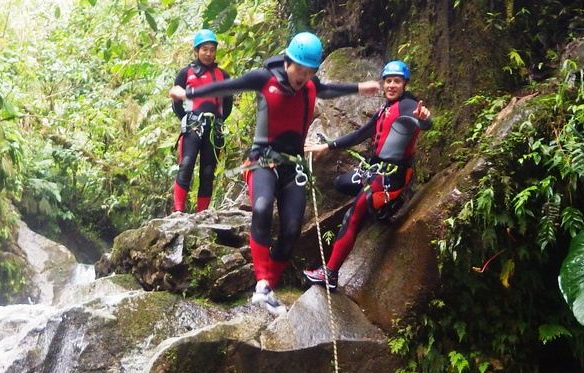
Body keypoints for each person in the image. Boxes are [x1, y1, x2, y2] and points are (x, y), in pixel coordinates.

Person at [169, 31, 380, 315]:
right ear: (289, 61)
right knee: (263, 207)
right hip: (263, 160)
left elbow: (327, 89)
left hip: (293, 165)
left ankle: (269, 288)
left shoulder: (310, 85)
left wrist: (359, 88)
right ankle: (261, 284)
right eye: (300, 69)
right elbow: (229, 85)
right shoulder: (264, 78)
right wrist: (188, 93)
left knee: (292, 229)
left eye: (309, 71)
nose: (303, 76)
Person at [302, 60, 431, 289]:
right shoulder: (385, 108)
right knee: (341, 183)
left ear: (405, 84)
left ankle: (330, 274)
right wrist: (328, 146)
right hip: (375, 170)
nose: (391, 85)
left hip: (391, 177)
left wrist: (424, 119)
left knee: (353, 215)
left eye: (397, 81)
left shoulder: (408, 105)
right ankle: (379, 208)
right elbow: (361, 133)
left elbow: (423, 122)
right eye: (388, 81)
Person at [171, 29, 234, 213]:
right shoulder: (186, 73)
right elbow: (176, 102)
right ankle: (178, 211)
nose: (208, 53)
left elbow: (227, 104)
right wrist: (185, 119)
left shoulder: (223, 76)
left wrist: (219, 121)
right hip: (193, 126)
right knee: (187, 164)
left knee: (207, 172)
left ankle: (202, 214)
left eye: (212, 49)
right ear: (197, 51)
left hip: (213, 128)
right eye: (204, 49)